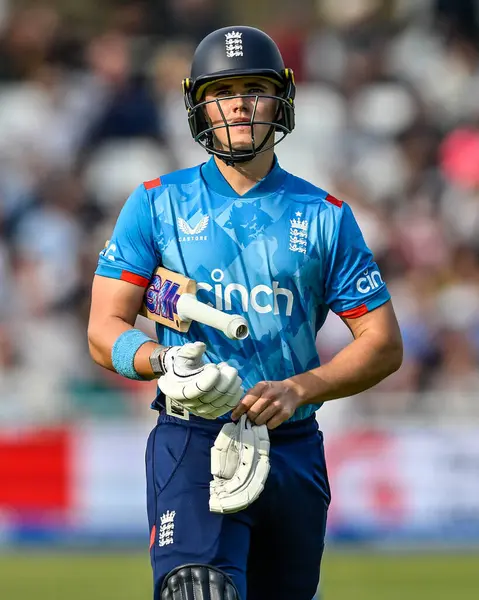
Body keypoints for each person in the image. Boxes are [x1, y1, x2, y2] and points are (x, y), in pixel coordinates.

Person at [87, 25, 403, 600]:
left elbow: (382, 342)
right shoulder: (156, 202)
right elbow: (102, 330)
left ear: (279, 98)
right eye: (221, 91)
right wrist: (161, 361)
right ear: (197, 103)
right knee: (197, 589)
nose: (238, 103)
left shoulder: (325, 214)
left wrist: (300, 389)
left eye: (254, 88)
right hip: (192, 438)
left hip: (293, 445)